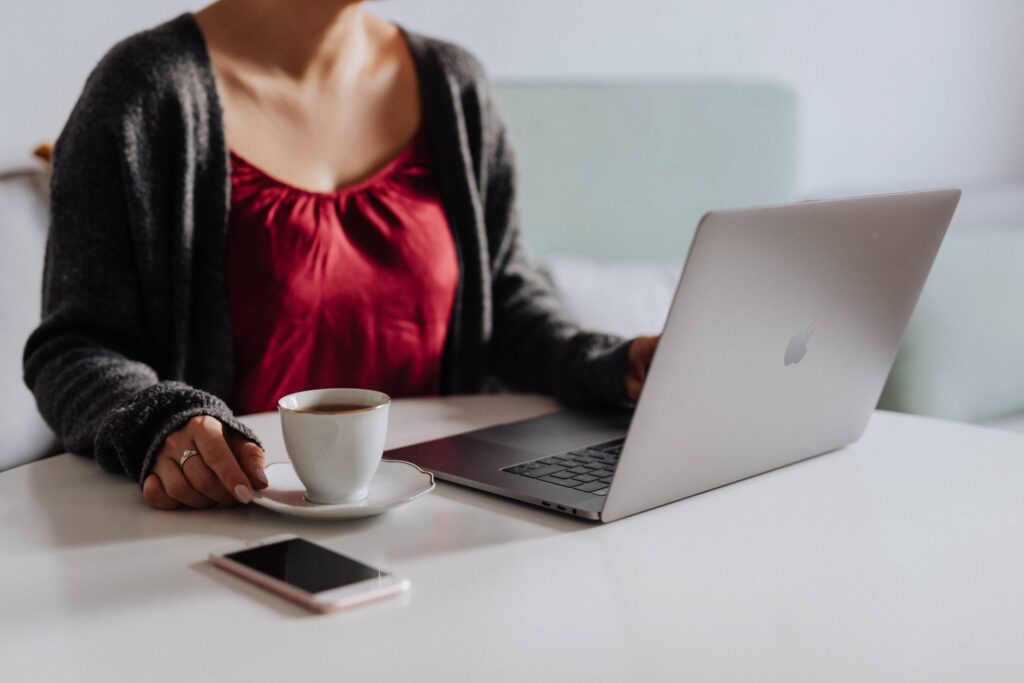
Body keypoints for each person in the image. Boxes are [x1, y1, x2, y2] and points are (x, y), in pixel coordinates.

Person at [24, 0, 659, 511]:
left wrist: (609, 363)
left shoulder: (455, 86)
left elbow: (506, 302)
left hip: (437, 522)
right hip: (225, 530)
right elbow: (73, 346)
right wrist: (165, 421)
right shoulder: (142, 91)